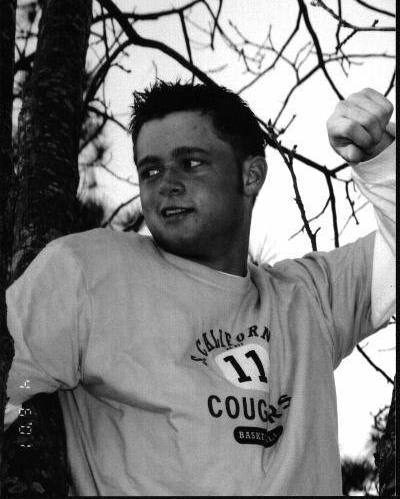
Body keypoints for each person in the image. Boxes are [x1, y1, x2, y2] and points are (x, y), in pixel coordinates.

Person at [5, 81, 395, 496]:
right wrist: (29, 445)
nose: (166, 184)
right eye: (150, 171)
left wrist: (382, 161)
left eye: (190, 163)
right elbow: (15, 386)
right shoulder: (87, 270)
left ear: (251, 176)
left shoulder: (310, 296)